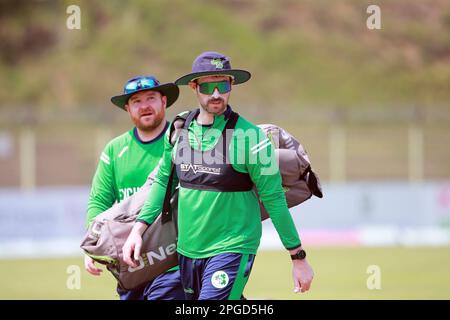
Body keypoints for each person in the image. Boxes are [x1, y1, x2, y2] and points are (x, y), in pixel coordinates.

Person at [123, 52, 314, 300]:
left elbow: (275, 199)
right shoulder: (179, 128)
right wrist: (138, 230)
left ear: (231, 86)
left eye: (222, 85)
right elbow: (162, 181)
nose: (216, 94)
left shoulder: (253, 138)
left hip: (232, 248)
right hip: (188, 251)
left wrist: (297, 256)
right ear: (194, 87)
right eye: (208, 86)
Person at [85, 75, 185, 300]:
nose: (145, 106)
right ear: (128, 109)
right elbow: (99, 201)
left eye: (151, 98)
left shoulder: (182, 140)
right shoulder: (115, 150)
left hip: (172, 260)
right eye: (136, 101)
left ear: (164, 102)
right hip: (130, 263)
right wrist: (92, 244)